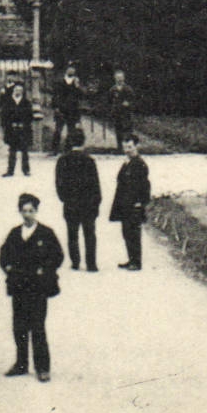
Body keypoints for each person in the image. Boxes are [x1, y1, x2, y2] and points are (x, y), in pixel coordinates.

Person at [0, 193, 63, 382]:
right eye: (24, 211)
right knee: (19, 326)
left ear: (36, 212)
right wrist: (8, 268)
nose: (27, 215)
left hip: (38, 287)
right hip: (19, 286)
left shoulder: (46, 233)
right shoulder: (15, 233)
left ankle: (42, 367)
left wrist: (46, 270)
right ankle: (21, 363)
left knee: (37, 326)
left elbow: (57, 256)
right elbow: (4, 254)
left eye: (31, 211)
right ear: (20, 212)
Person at [54, 132, 102, 272]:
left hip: (71, 203)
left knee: (72, 233)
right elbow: (95, 184)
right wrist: (96, 202)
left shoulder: (62, 160)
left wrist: (64, 198)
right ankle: (91, 264)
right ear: (83, 143)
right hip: (88, 204)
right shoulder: (89, 161)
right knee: (90, 234)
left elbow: (59, 183)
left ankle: (75, 262)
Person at [110, 137, 151, 270]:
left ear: (136, 146)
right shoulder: (128, 162)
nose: (127, 150)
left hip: (134, 205)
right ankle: (131, 259)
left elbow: (145, 186)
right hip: (124, 204)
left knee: (134, 233)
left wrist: (141, 202)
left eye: (130, 147)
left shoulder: (139, 164)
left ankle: (136, 262)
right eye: (125, 147)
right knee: (126, 233)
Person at [1, 82, 36, 177]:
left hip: (23, 129)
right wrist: (8, 125)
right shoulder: (8, 102)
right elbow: (4, 116)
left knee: (25, 150)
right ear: (13, 90)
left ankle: (26, 170)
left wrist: (24, 124)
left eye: (20, 90)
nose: (18, 92)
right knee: (12, 150)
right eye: (16, 90)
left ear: (22, 92)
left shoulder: (26, 103)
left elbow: (30, 116)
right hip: (11, 129)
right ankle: (10, 170)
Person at [50, 66, 84, 151]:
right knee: (58, 130)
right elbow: (55, 95)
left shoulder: (76, 82)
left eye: (73, 69)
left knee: (71, 131)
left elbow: (81, 96)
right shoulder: (60, 81)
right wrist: (56, 107)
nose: (71, 71)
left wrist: (77, 86)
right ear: (66, 70)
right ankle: (54, 149)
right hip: (61, 110)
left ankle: (68, 150)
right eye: (70, 69)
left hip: (73, 110)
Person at [106, 69, 135, 152]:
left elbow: (133, 101)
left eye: (121, 77)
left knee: (127, 131)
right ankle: (119, 148)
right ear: (115, 78)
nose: (119, 79)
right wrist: (111, 110)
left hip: (126, 114)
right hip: (117, 113)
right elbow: (109, 102)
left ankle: (128, 148)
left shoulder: (128, 89)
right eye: (118, 77)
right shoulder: (112, 90)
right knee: (118, 130)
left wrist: (128, 103)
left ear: (124, 78)